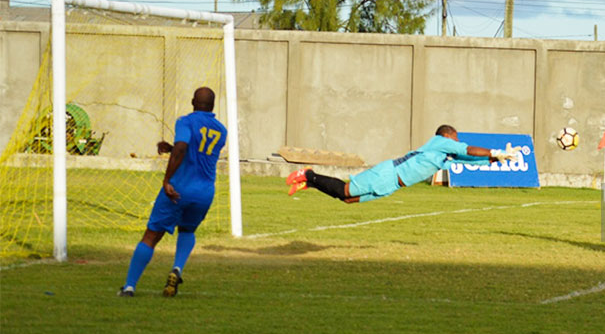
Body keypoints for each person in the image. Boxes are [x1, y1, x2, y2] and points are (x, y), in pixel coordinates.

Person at [118, 87, 227, 297]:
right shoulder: (221, 130)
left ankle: (129, 287)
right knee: (187, 230)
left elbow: (183, 148)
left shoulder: (185, 121)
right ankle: (177, 268)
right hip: (204, 192)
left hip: (179, 189)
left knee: (151, 236)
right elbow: (197, 151)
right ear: (212, 106)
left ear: (193, 102)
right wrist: (171, 148)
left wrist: (167, 179)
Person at [285, 125, 519, 203]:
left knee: (348, 199)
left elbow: (469, 158)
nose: (457, 141)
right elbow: (466, 149)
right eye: (455, 137)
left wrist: (494, 158)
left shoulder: (442, 156)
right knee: (346, 190)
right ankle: (308, 173)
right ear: (446, 136)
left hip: (393, 185)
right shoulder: (439, 142)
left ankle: (311, 184)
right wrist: (495, 151)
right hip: (388, 173)